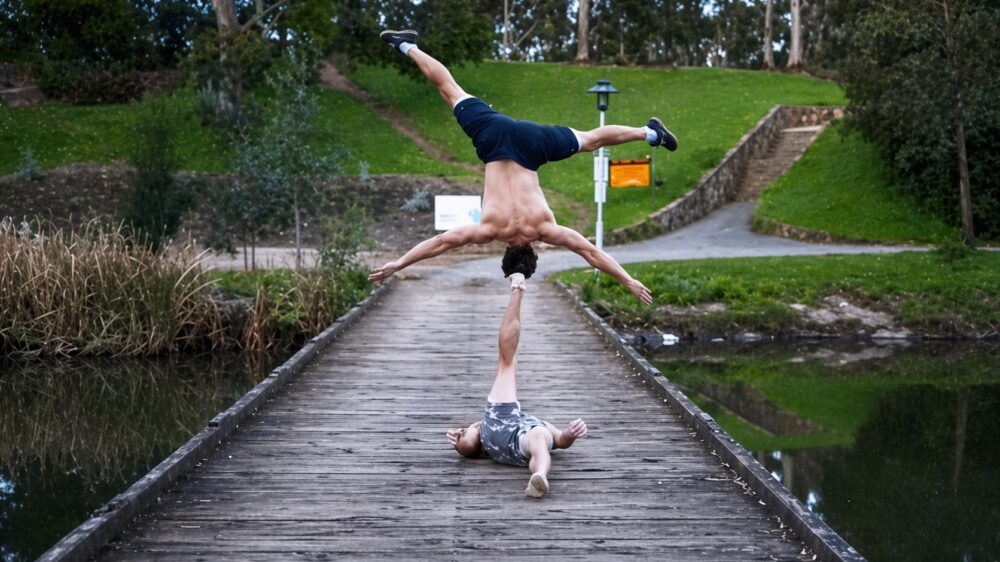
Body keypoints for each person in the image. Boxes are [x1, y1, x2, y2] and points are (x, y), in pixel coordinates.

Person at [368, 30, 679, 305]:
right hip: (494, 139)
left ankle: (650, 133)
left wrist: (629, 280)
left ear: (533, 251)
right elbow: (441, 243)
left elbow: (591, 253)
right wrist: (398, 264)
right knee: (450, 90)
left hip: (533, 145)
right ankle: (406, 46)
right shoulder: (489, 230)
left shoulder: (544, 229)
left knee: (591, 140)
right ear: (506, 254)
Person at [446, 258, 587, 498]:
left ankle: (517, 289)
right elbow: (561, 441)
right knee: (539, 445)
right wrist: (569, 434)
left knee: (507, 362)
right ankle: (540, 474)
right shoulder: (542, 428)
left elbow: (562, 441)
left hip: (502, 434)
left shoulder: (522, 429)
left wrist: (570, 435)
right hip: (511, 436)